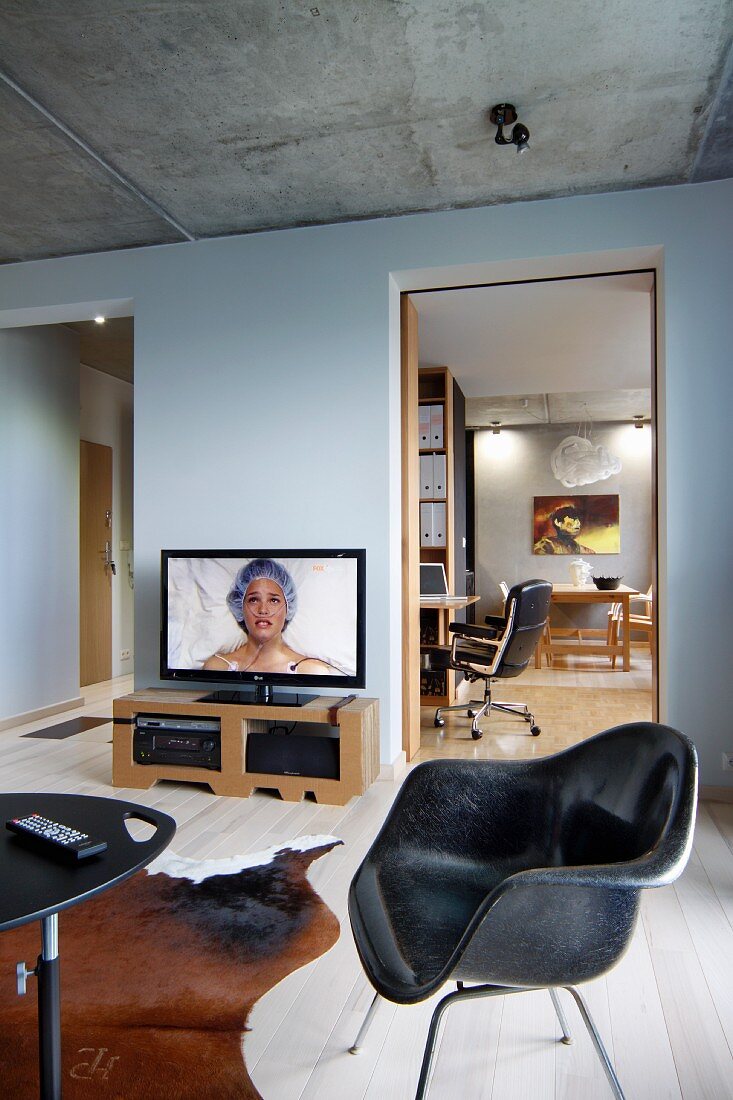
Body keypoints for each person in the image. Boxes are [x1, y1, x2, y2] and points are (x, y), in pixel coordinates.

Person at [203, 558, 340, 675]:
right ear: (240, 607)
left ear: (288, 607)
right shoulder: (217, 667)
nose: (263, 610)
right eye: (253, 600)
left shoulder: (310, 671)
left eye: (274, 601)